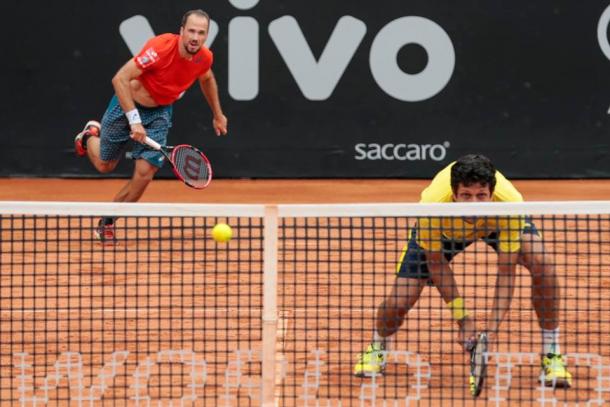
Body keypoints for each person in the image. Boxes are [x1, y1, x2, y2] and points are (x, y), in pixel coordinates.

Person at [353, 154, 572, 388]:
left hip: (494, 223)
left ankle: (551, 351)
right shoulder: (432, 206)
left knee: (544, 264)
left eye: (481, 196)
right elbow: (437, 265)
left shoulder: (510, 204)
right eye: (466, 195)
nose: (473, 204)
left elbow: (506, 271)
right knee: (398, 301)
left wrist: (491, 330)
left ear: (492, 193)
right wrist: (463, 320)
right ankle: (378, 345)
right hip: (446, 230)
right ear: (454, 193)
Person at [74, 9, 227, 242]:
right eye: (192, 31)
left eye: (201, 33)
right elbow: (120, 79)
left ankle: (108, 221)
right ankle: (88, 137)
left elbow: (206, 78)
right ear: (182, 31)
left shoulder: (203, 57)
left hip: (160, 113)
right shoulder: (160, 49)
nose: (195, 37)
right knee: (105, 165)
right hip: (127, 104)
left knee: (145, 174)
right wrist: (134, 119)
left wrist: (218, 113)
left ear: (206, 36)